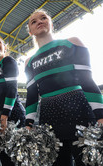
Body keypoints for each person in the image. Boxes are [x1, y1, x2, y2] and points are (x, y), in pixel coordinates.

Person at [25, 9, 103, 166]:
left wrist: (101, 115)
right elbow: (32, 95)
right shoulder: (29, 61)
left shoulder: (72, 43)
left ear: (51, 23)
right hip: (49, 118)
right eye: (34, 22)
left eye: (43, 18)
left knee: (88, 162)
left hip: (79, 111)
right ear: (31, 32)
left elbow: (87, 80)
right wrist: (28, 124)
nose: (39, 21)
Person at [0, 36, 26, 166]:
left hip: (13, 114)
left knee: (17, 159)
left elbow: (12, 89)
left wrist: (4, 116)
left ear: (5, 47)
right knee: (5, 159)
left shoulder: (8, 61)